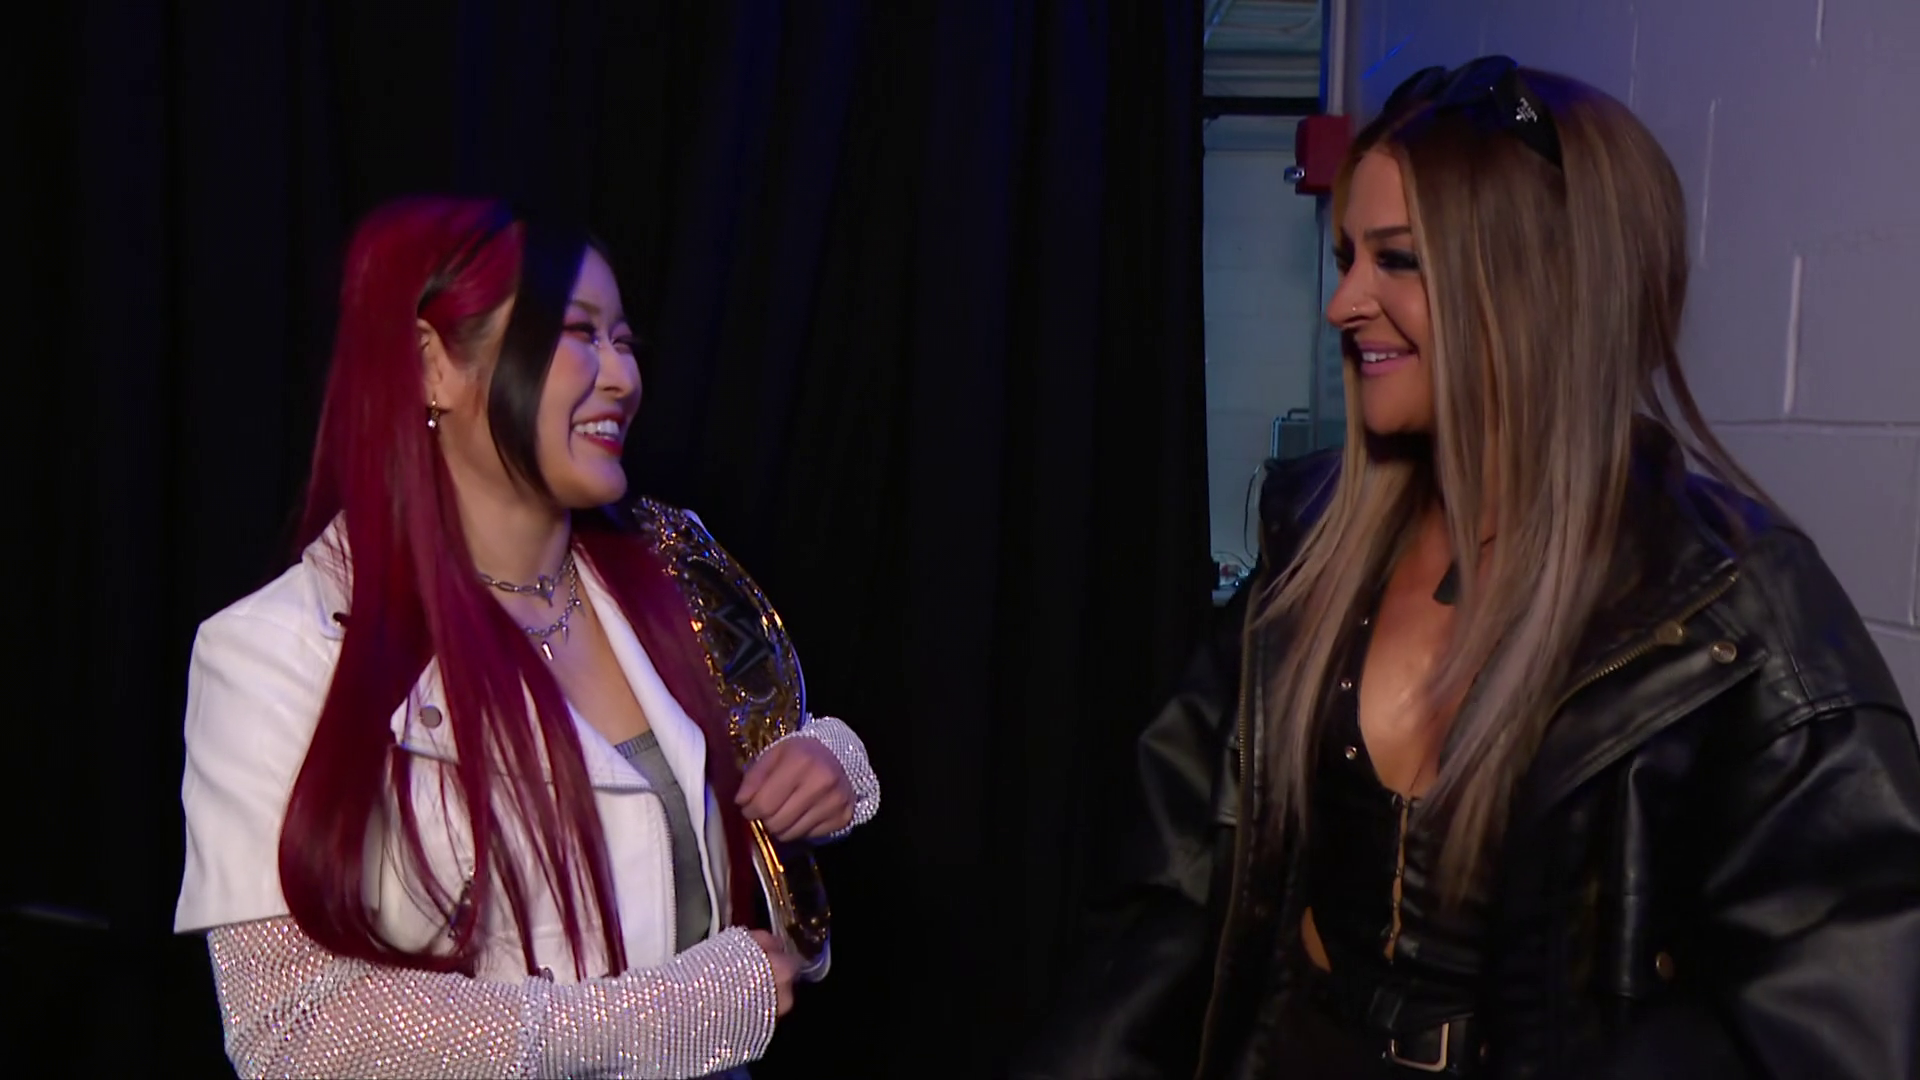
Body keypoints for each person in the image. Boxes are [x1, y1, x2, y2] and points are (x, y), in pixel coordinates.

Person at [1013, 57, 1920, 1080]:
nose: (1342, 304)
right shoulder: (1311, 546)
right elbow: (1172, 900)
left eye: (1396, 260)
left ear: (1540, 284)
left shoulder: (1735, 610)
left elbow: (1838, 1020)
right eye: (1348, 258)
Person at [174, 196, 880, 1079]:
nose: (621, 376)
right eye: (577, 333)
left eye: (624, 339)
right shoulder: (278, 651)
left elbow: (761, 752)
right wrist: (670, 1013)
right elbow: (294, 1032)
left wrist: (828, 764)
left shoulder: (670, 570)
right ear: (433, 366)